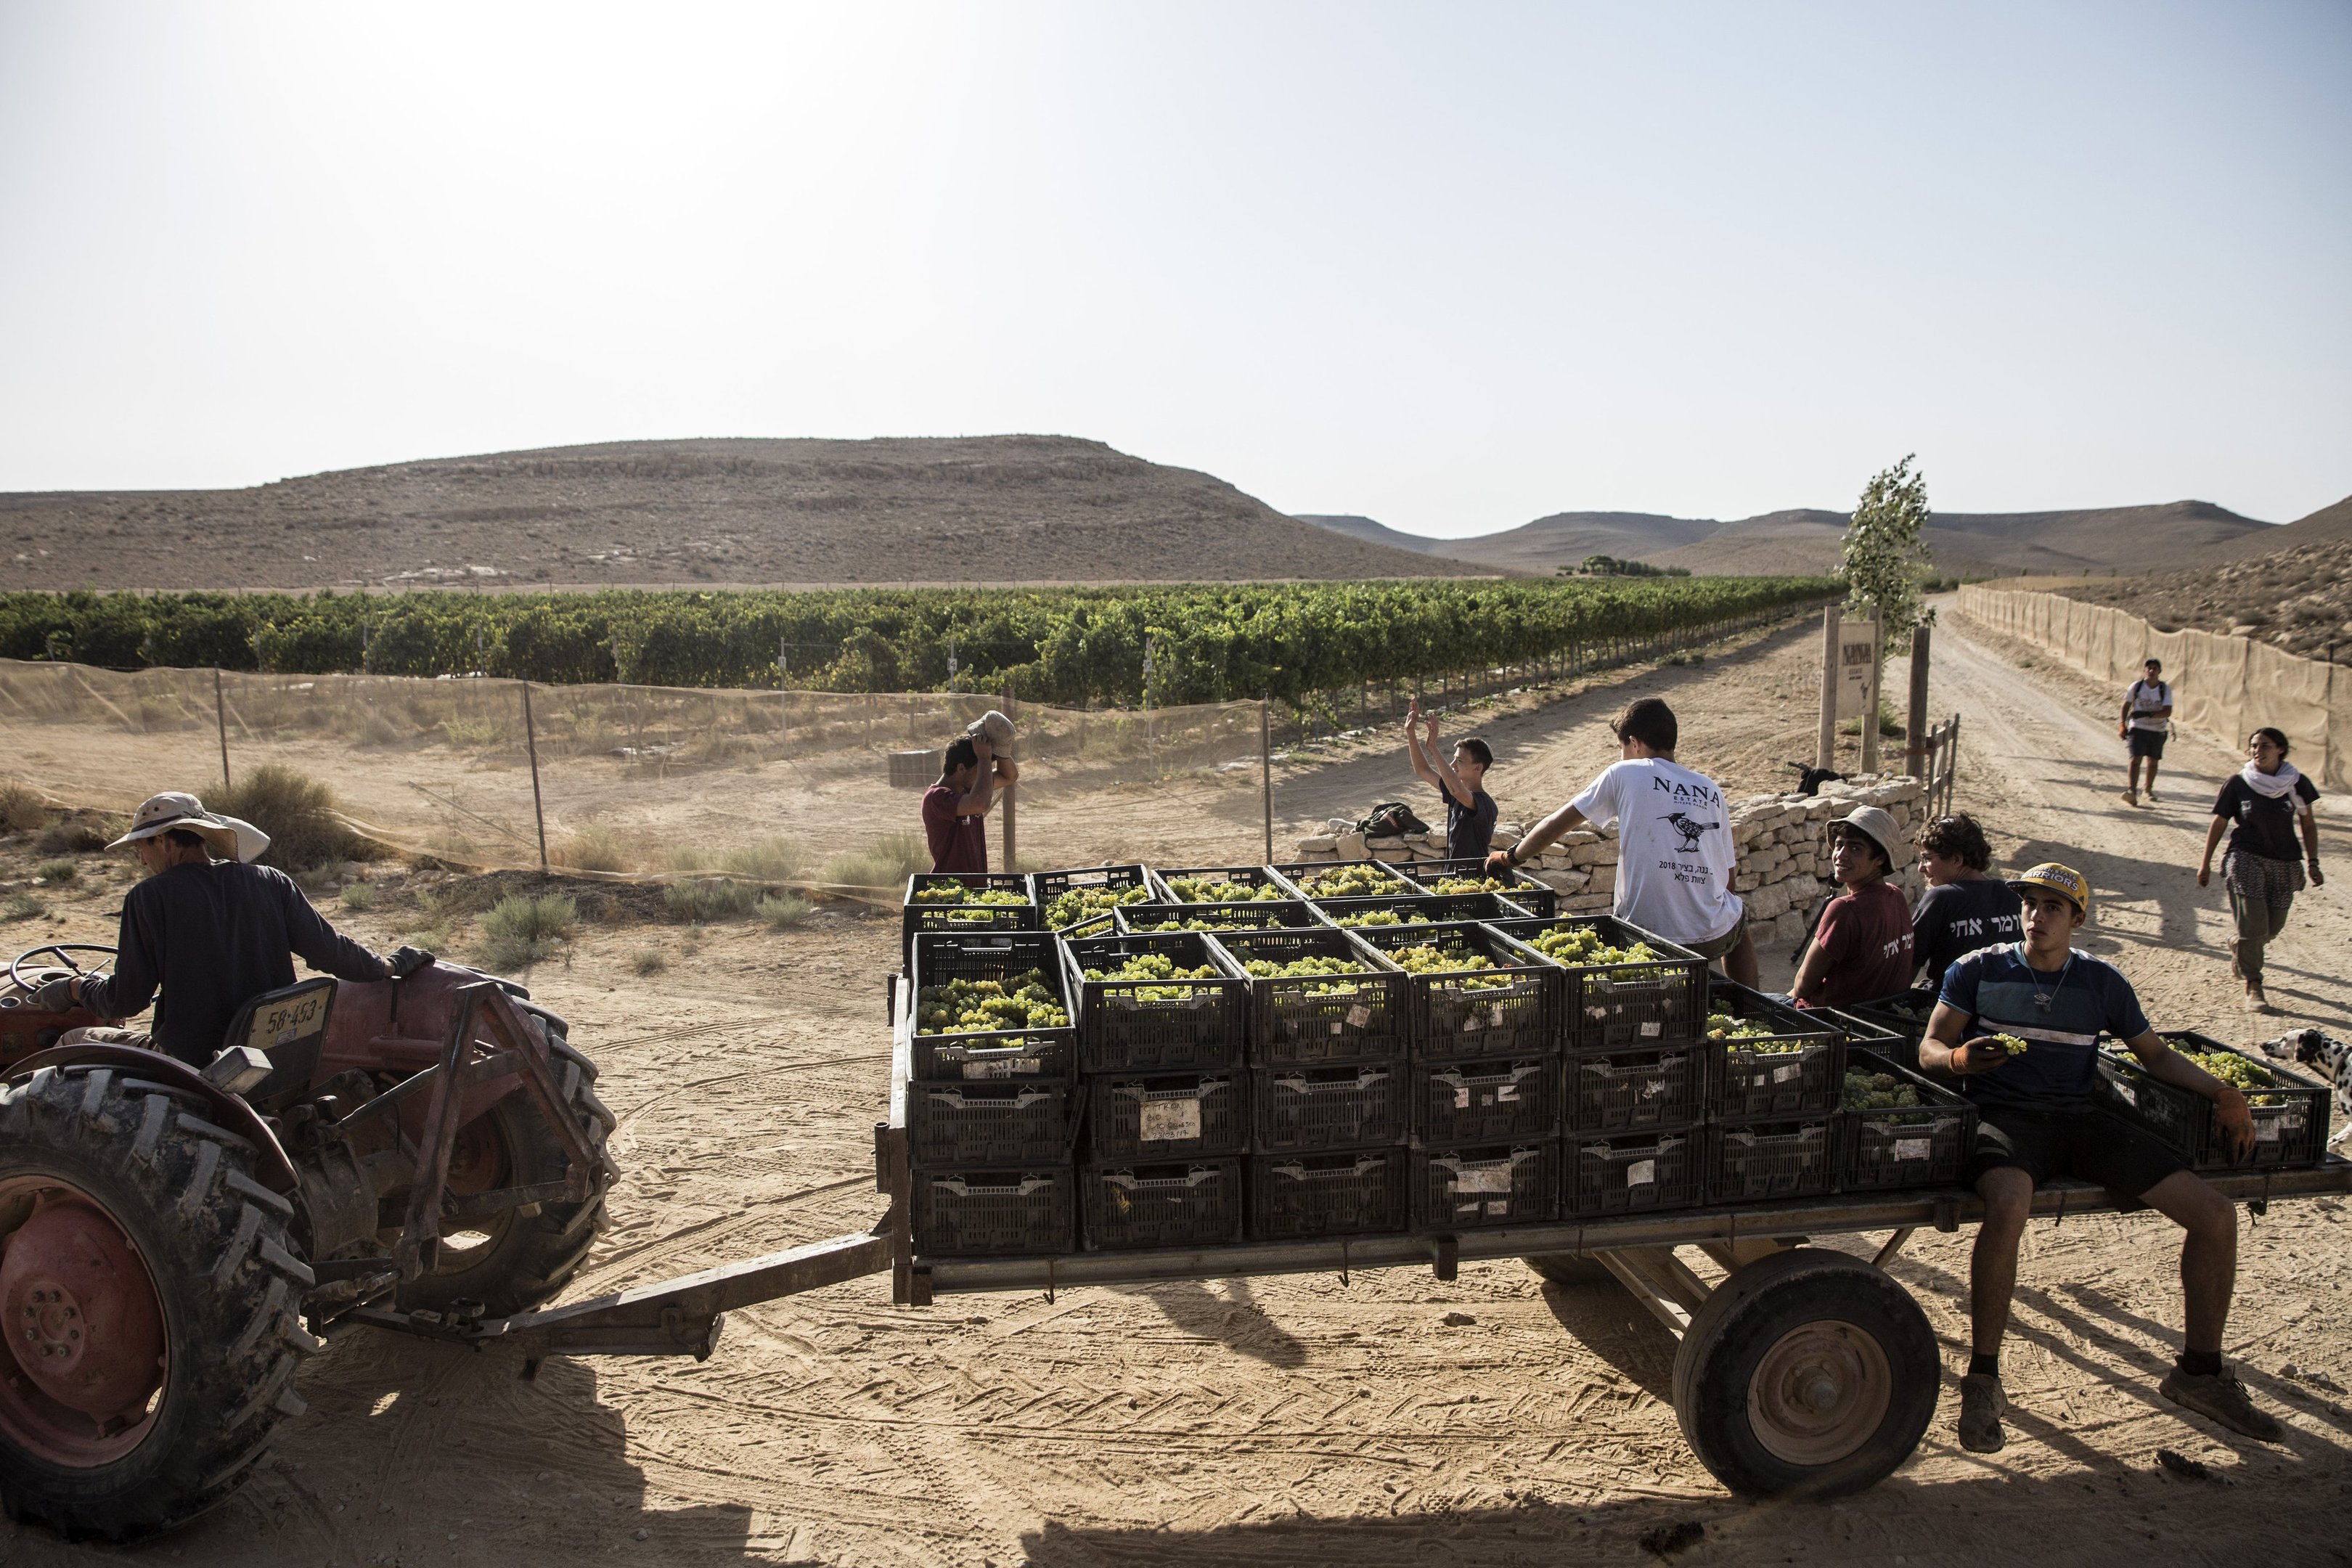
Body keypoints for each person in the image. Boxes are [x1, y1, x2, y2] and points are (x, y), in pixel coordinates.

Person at [1919, 862, 2277, 1455]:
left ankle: (2200, 1374)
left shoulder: (2102, 982)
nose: (2036, 916)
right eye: (2030, 904)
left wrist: (2223, 1092)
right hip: (2004, 1118)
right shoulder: (1977, 969)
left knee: (2216, 1215)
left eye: (2052, 907)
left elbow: (2155, 1057)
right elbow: (1930, 1044)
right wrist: (1957, 1061)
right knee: (2008, 1203)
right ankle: (1983, 1379)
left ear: (2077, 920)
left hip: (2080, 1120)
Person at [30, 792, 422, 1069]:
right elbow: (331, 951)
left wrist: (74, 989)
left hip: (194, 1064)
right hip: (276, 1055)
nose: (141, 859)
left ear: (165, 842)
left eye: (142, 849)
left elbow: (125, 1002)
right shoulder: (270, 881)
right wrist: (388, 966)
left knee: (73, 1042)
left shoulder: (149, 898)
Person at [1487, 696, 1757, 988]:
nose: (1621, 756)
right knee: (1737, 922)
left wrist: (1510, 857)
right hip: (1713, 937)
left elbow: (1554, 826)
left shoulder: (1624, 772)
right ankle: (1752, 1000)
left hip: (1646, 936)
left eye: (1621, 749)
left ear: (1635, 743)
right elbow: (1728, 882)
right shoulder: (1710, 788)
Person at [2198, 726, 2323, 1014]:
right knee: (2253, 925)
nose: (2257, 750)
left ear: (2280, 749)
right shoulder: (2239, 783)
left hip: (2285, 862)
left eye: (2264, 745)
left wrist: (2313, 862)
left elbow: (2308, 824)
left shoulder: (2296, 783)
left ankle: (2241, 945)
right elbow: (2219, 823)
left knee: (2272, 927)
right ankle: (2253, 985)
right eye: (2254, 745)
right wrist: (2205, 863)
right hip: (2245, 858)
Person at [1790, 807, 1914, 1009]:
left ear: (1879, 859)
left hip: (1835, 1020)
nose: (1841, 855)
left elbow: (1802, 986)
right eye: (1839, 845)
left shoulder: (1845, 909)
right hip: (1882, 1013)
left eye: (1856, 848)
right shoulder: (1895, 896)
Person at [1909, 812, 2022, 992]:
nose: (1921, 868)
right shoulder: (2014, 894)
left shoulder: (1941, 898)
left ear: (1956, 859)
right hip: (2006, 1002)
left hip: (1949, 1003)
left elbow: (1910, 963)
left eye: (1928, 859)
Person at [1404, 698, 1498, 862]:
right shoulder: (1456, 794)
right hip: (1453, 876)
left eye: (1460, 761)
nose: (1453, 765)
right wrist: (1411, 733)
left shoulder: (1484, 803)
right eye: (1454, 759)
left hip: (1473, 879)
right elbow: (1423, 770)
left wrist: (1433, 748)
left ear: (1478, 768)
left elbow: (1457, 790)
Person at [921, 734, 1016, 873]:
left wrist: (1001, 749)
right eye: (981, 770)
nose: (984, 777)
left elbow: (1009, 776)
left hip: (975, 887)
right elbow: (980, 804)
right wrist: (984, 758)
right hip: (949, 889)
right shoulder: (936, 798)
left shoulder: (970, 789)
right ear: (961, 768)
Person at [2118, 657, 2173, 806]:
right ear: (2145, 670)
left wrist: (2148, 714)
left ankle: (2148, 790)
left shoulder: (2164, 689)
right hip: (2138, 728)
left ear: (2159, 671)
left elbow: (2167, 711)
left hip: (2157, 730)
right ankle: (2132, 791)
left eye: (2155, 668)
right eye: (2149, 668)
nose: (2152, 671)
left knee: (2153, 761)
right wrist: (2122, 724)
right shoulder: (2137, 687)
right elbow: (2126, 705)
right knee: (2135, 760)